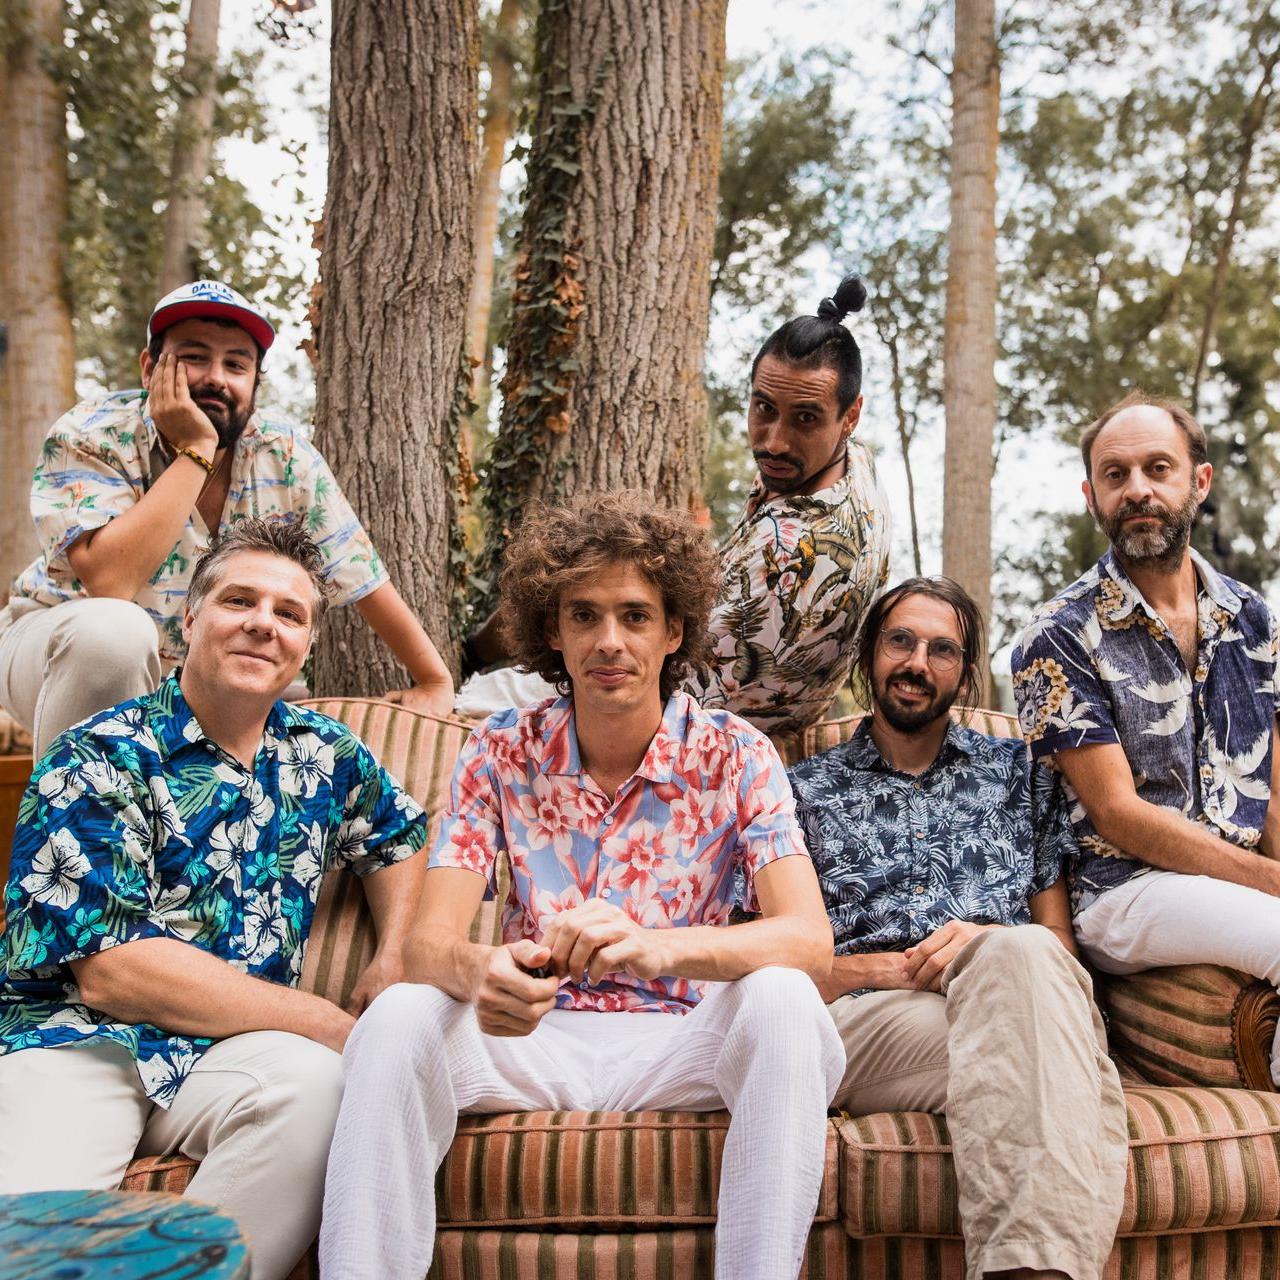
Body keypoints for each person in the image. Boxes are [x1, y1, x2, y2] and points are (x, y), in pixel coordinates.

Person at [320, 493, 844, 1280]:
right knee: (398, 1013)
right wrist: (481, 970)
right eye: (584, 615)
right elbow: (428, 946)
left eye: (635, 617)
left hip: (681, 1040)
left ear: (673, 632)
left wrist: (658, 948)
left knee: (785, 999)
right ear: (552, 633)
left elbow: (809, 943)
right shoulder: (500, 749)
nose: (609, 642)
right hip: (533, 1035)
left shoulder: (736, 754)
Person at [0, 519, 429, 1280]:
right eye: (240, 601)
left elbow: (400, 836)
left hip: (228, 1053)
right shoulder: (98, 753)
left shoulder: (322, 753)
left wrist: (391, 954)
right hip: (77, 1042)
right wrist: (328, 1022)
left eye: (289, 613)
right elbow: (112, 972)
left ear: (306, 645)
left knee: (318, 1087)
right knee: (31, 1247)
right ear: (190, 621)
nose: (264, 623)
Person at [789, 576, 1127, 1280]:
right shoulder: (802, 790)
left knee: (1022, 970)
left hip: (1011, 992)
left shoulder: (1019, 773)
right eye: (900, 641)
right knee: (1051, 1053)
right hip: (869, 1017)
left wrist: (985, 945)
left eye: (941, 649)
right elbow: (769, 967)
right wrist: (890, 968)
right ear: (869, 655)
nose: (917, 663)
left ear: (965, 673)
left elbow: (1057, 945)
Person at [0, 280, 454, 759]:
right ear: (150, 367)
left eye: (236, 365)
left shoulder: (283, 453)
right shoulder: (93, 432)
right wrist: (196, 449)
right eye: (194, 357)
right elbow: (111, 582)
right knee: (114, 635)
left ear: (254, 383)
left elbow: (359, 570)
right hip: (56, 648)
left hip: (191, 680)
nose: (216, 378)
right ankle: (77, 806)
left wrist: (434, 679)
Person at [455, 273, 891, 736]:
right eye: (764, 408)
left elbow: (659, 687)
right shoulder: (846, 463)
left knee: (471, 699)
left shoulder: (792, 554)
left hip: (680, 726)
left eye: (805, 418)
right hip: (699, 686)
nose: (774, 442)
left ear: (851, 415)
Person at [1012, 390, 1280, 1085]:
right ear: (1091, 497)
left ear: (1199, 480)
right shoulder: (1057, 635)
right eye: (1115, 474)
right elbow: (1118, 814)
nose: (1137, 489)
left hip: (1237, 882)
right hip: (1124, 891)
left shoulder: (1254, 619)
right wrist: (1270, 882)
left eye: (1157, 468)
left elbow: (1273, 794)